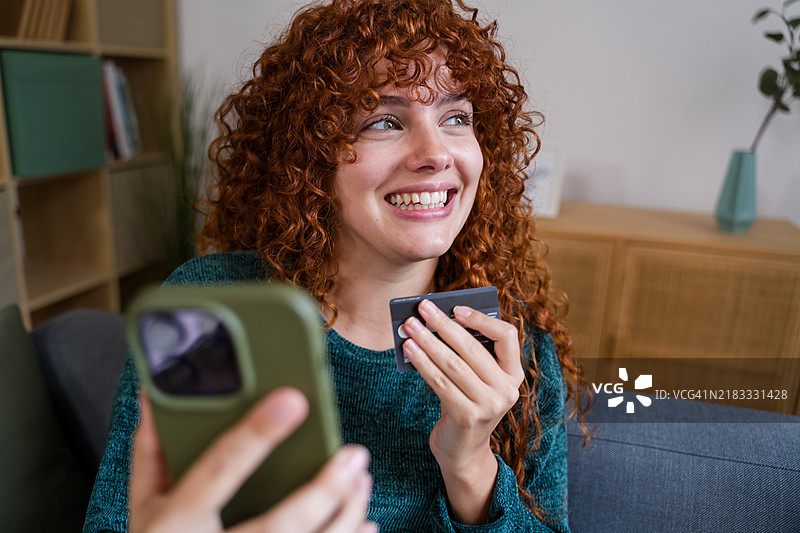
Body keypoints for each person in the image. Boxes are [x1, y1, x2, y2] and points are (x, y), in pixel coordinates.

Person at [83, 0, 590, 531]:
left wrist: (468, 462)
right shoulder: (212, 308)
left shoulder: (521, 351)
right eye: (384, 121)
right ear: (310, 157)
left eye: (456, 117)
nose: (436, 152)